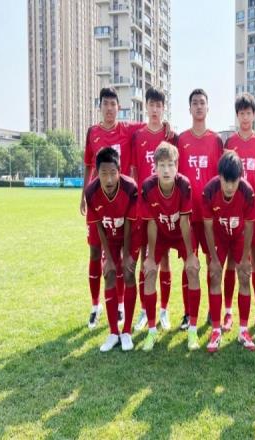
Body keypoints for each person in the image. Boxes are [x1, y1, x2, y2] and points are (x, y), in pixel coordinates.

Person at [81, 87, 144, 329]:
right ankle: (95, 306)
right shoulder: (93, 132)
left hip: (122, 203)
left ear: (119, 107)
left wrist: (166, 124)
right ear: (100, 107)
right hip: (98, 201)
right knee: (95, 253)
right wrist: (83, 195)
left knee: (119, 255)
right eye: (105, 103)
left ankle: (119, 306)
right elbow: (89, 165)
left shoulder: (127, 129)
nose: (109, 108)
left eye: (113, 104)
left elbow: (152, 125)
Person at [141, 142, 201, 351]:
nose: (166, 170)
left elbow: (185, 222)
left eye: (170, 164)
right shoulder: (148, 186)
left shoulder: (184, 185)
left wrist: (190, 255)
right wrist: (150, 257)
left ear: (177, 166)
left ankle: (192, 330)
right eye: (162, 165)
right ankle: (151, 331)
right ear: (155, 167)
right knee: (149, 271)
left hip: (180, 234)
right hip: (159, 233)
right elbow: (151, 223)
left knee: (192, 269)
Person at [130, 87, 178, 332]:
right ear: (146, 107)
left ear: (163, 108)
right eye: (152, 105)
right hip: (144, 207)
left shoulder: (170, 136)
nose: (155, 109)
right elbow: (134, 170)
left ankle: (164, 310)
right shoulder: (138, 135)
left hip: (165, 208)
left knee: (165, 259)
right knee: (145, 260)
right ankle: (144, 310)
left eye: (159, 105)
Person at [223, 93, 255, 331]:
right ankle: (228, 312)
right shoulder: (230, 143)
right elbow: (224, 176)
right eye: (241, 113)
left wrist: (253, 201)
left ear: (254, 115)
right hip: (232, 213)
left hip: (254, 212)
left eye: (248, 113)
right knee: (232, 262)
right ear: (237, 115)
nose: (245, 117)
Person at [84, 147, 139, 352]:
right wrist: (107, 257)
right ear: (97, 173)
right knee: (108, 274)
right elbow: (98, 225)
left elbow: (129, 223)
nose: (108, 179)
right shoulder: (91, 191)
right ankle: (113, 332)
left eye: (113, 173)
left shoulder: (130, 187)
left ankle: (127, 331)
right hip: (108, 236)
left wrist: (126, 255)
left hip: (129, 235)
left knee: (128, 273)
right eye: (104, 173)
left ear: (119, 171)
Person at [177, 89, 223, 329]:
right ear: (189, 108)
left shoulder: (216, 140)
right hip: (187, 214)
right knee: (189, 264)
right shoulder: (181, 140)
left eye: (202, 103)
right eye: (194, 103)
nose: (198, 106)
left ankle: (212, 313)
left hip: (210, 216)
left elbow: (222, 178)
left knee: (213, 263)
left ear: (208, 107)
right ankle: (188, 313)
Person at [202, 151, 255, 352]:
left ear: (240, 177)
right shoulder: (209, 191)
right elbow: (208, 227)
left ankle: (243, 330)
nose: (230, 186)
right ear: (219, 176)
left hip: (239, 236)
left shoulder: (247, 191)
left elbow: (249, 226)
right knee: (215, 275)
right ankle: (216, 330)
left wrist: (245, 259)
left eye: (234, 181)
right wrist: (213, 259)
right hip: (219, 237)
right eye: (226, 181)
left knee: (244, 277)